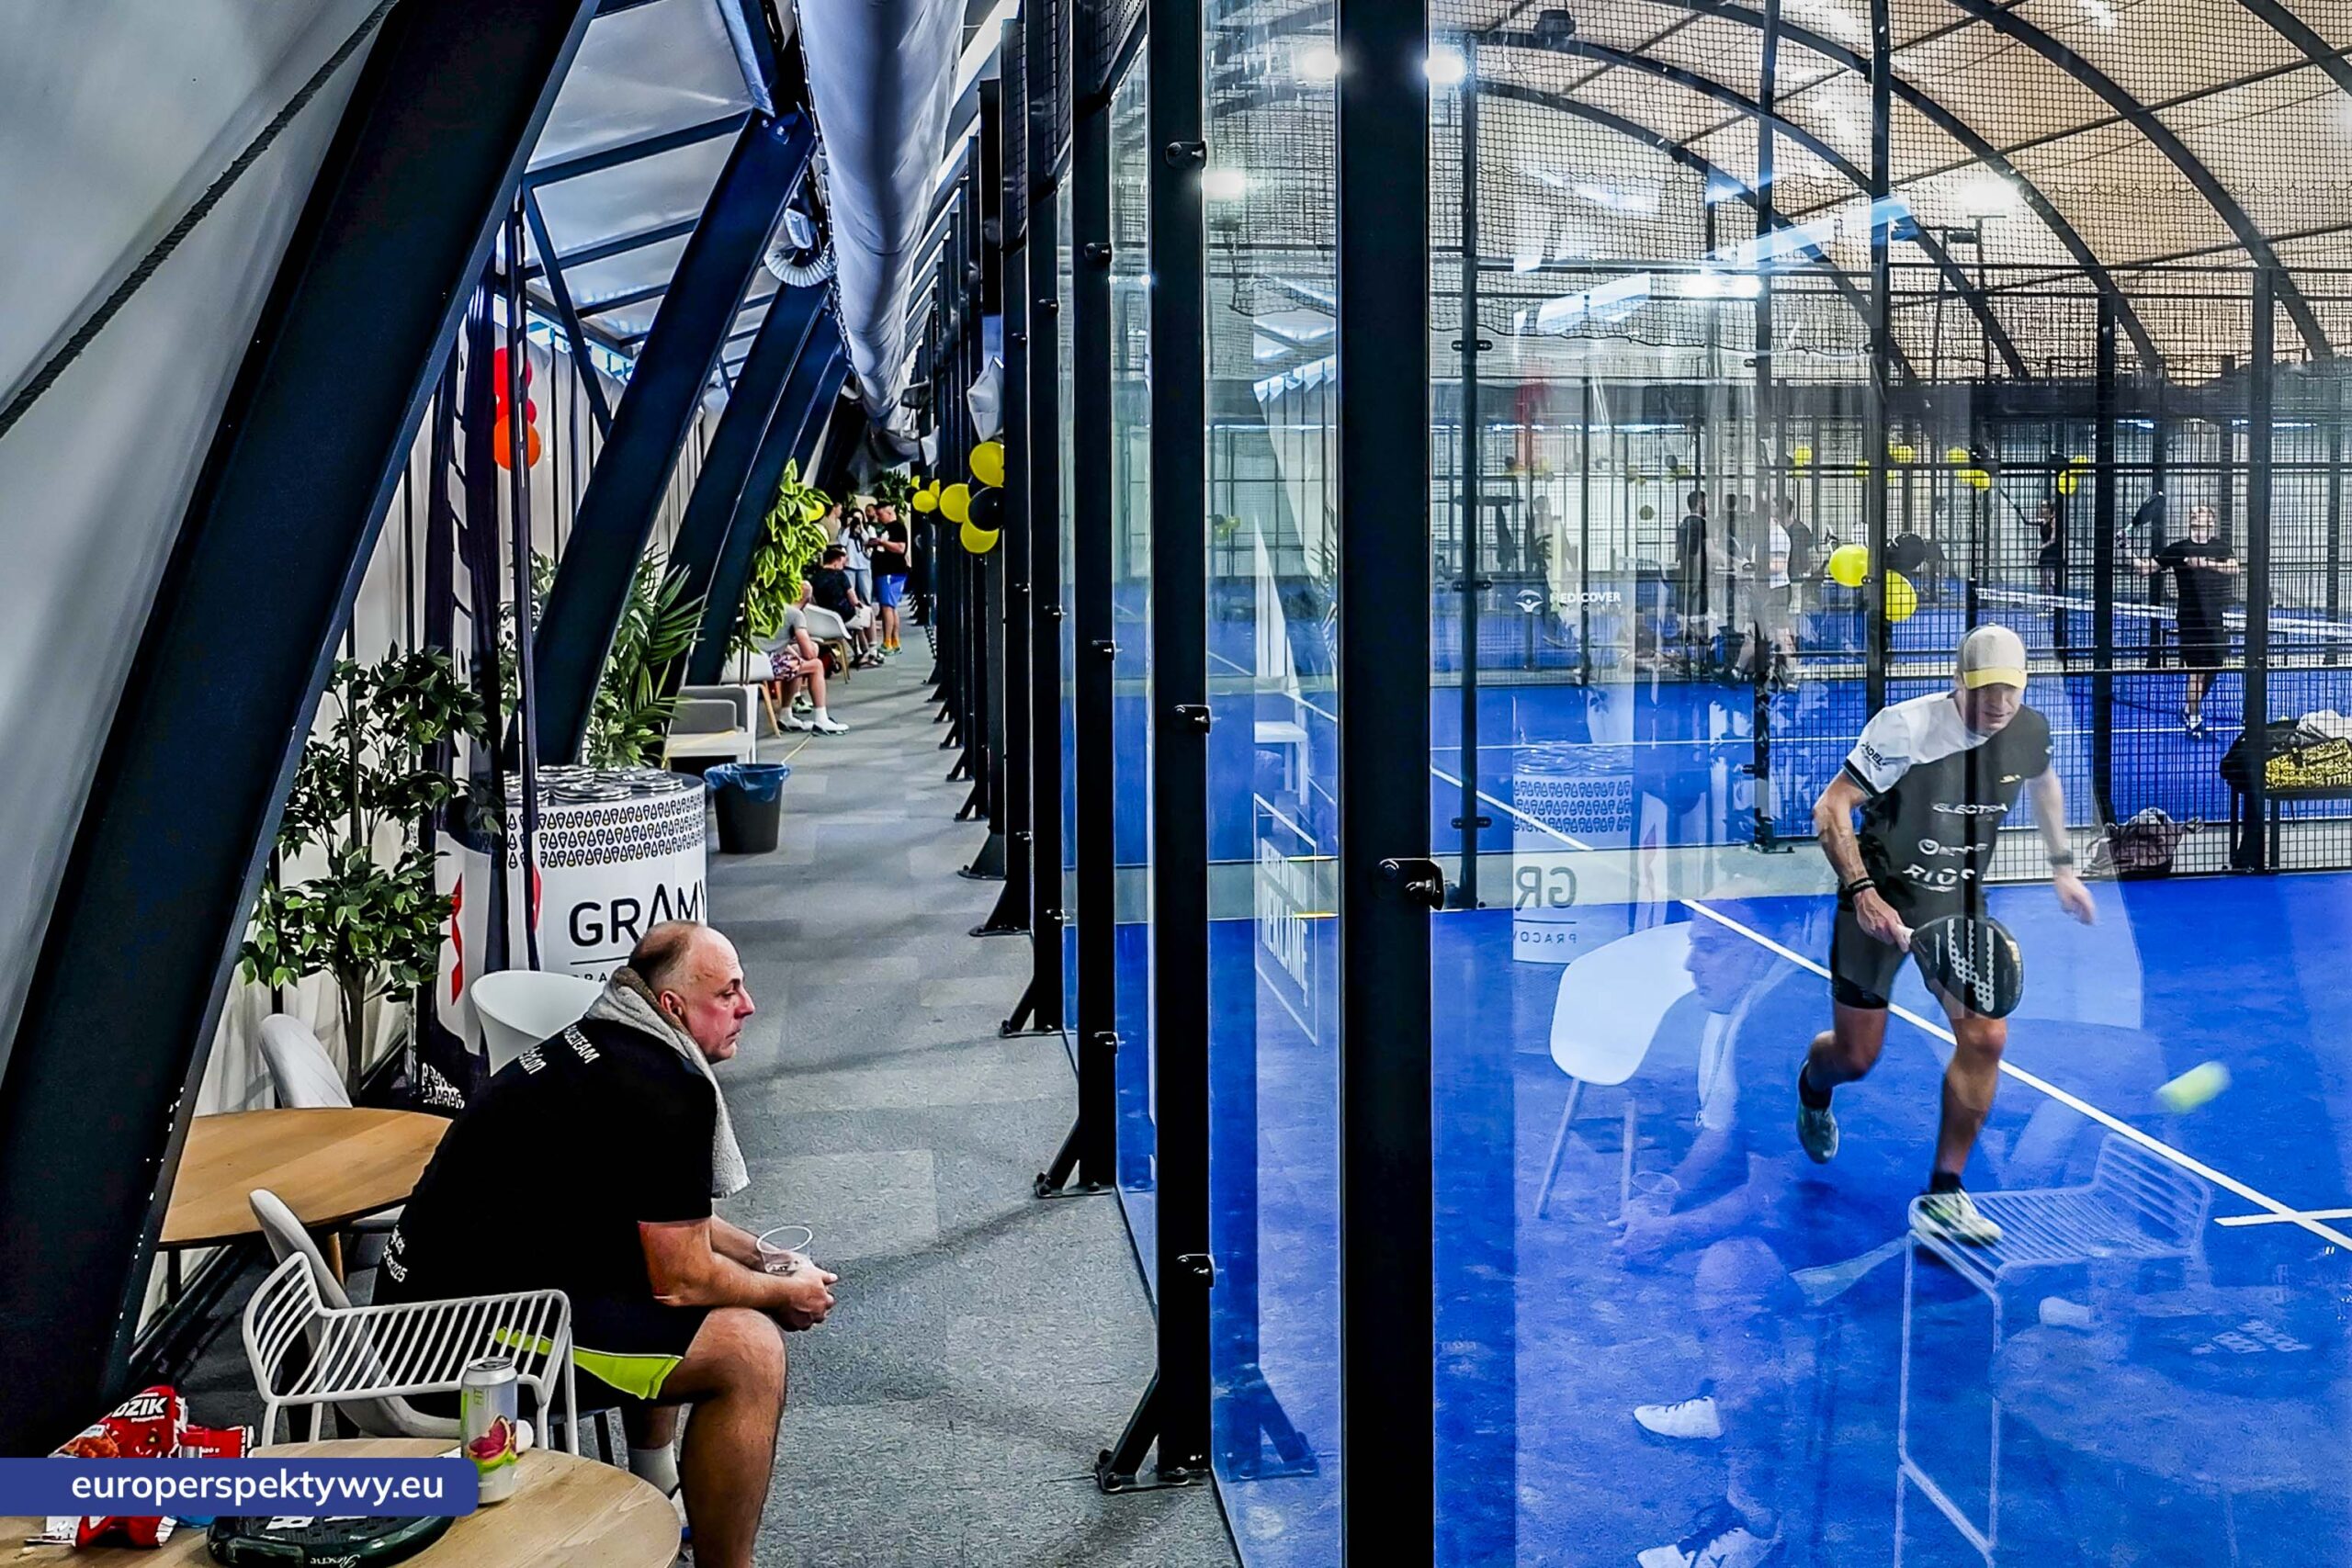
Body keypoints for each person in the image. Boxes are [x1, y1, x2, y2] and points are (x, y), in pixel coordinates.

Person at [376, 923, 836, 1568]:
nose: (749, 1005)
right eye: (728, 992)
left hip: (432, 1300)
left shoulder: (607, 1034)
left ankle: (658, 1487)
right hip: (459, 1343)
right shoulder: (663, 1086)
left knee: (660, 1283)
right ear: (672, 1007)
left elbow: (670, 1220)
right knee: (748, 1351)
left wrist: (760, 1255)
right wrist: (783, 1291)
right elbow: (685, 1276)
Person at [1797, 624, 2097, 1246]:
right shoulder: (1905, 728)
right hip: (1878, 901)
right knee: (1855, 1058)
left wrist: (2062, 865)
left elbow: (2044, 783)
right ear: (1957, 681)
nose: (2000, 704)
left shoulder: (2029, 732)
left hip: (1956, 906)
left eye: (2011, 692)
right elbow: (1832, 808)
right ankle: (1811, 1085)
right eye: (1987, 690)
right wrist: (1863, 892)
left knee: (1986, 1036)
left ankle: (1944, 1193)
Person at [2128, 502, 2240, 737]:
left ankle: (2189, 708)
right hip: (2190, 617)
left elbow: (2234, 568)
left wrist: (2205, 563)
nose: (2195, 514)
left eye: (2201, 511)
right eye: (2193, 512)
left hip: (2214, 617)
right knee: (2196, 669)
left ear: (2211, 520)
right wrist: (2125, 548)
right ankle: (2194, 719)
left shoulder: (2220, 546)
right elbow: (2144, 569)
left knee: (2215, 666)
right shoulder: (2179, 549)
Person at [762, 604, 848, 733]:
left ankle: (786, 715)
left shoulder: (763, 607)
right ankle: (821, 719)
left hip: (752, 660)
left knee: (796, 661)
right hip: (767, 665)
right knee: (816, 665)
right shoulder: (795, 614)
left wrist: (796, 654)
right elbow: (809, 654)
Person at [804, 545, 880, 666]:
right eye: (843, 563)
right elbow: (854, 600)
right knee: (867, 612)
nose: (843, 566)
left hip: (824, 621)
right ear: (837, 560)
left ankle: (861, 652)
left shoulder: (814, 579)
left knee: (855, 623)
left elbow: (812, 601)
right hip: (845, 617)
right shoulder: (840, 576)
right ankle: (872, 650)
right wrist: (858, 604)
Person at [1675, 490, 1712, 668]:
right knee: (1700, 624)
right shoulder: (1702, 525)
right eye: (1705, 502)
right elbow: (1710, 551)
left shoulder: (1683, 525)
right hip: (1699, 582)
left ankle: (1684, 662)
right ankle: (1701, 662)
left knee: (1684, 624)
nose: (1707, 506)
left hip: (1683, 582)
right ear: (1699, 504)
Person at [868, 501, 910, 655]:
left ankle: (887, 642)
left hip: (890, 572)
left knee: (886, 607)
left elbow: (900, 548)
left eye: (880, 515)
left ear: (889, 512)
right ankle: (895, 641)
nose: (878, 518)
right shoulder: (886, 529)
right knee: (891, 607)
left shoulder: (897, 528)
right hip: (887, 571)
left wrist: (882, 542)